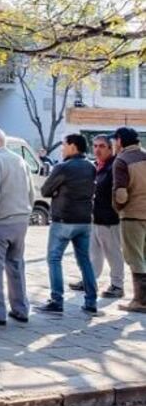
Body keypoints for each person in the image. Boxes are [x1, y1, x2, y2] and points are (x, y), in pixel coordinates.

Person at [0, 127, 35, 326]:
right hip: (20, 219)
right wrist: (26, 213)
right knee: (16, 264)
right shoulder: (19, 160)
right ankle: (21, 308)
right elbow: (31, 192)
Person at [36, 133, 97, 315]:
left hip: (64, 219)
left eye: (64, 145)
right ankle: (91, 301)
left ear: (72, 146)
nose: (62, 148)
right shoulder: (91, 166)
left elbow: (45, 190)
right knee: (85, 261)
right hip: (85, 220)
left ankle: (57, 300)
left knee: (54, 259)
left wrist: (57, 192)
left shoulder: (63, 167)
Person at [68, 135, 126, 299]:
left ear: (110, 148)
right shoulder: (96, 166)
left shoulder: (114, 166)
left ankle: (117, 285)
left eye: (101, 146)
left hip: (109, 219)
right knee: (93, 253)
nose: (97, 149)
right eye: (95, 146)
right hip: (94, 217)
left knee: (113, 253)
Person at [111, 127, 146, 313]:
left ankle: (140, 301)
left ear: (119, 140)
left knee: (135, 257)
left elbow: (121, 193)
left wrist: (118, 208)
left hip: (132, 215)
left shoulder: (122, 160)